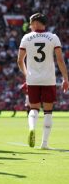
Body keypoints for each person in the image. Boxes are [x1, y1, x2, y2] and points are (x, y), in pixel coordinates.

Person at [17, 13, 68, 149]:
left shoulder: (27, 37)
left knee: (33, 108)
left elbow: (19, 60)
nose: (29, 26)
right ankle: (44, 143)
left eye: (30, 23)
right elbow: (60, 60)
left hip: (33, 78)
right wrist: (65, 78)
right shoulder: (53, 37)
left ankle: (32, 128)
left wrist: (27, 74)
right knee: (48, 112)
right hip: (48, 78)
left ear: (35, 22)